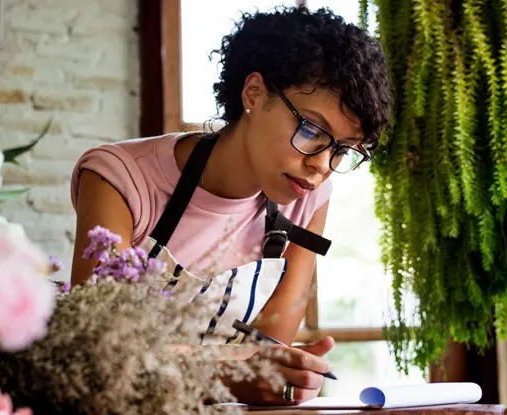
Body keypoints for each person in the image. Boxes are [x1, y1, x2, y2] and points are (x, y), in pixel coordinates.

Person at [69, 5, 392, 406]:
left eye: (342, 151)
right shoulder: (118, 178)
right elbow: (97, 352)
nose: (322, 165)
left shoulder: (309, 197)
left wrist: (283, 372)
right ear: (254, 93)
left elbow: (268, 350)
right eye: (312, 130)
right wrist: (224, 371)